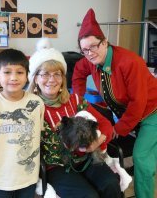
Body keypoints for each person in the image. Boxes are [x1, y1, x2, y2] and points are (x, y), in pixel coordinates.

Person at [72, 8, 157, 198]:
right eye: (84, 50)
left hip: (153, 111)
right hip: (124, 110)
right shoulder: (89, 59)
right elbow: (78, 73)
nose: (90, 53)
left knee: (142, 157)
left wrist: (120, 127)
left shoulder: (129, 62)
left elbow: (139, 102)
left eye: (94, 46)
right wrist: (79, 103)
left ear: (104, 42)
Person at [27, 38, 122, 198]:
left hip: (86, 158)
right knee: (87, 196)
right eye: (45, 74)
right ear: (35, 78)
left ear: (63, 79)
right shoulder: (30, 108)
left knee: (111, 184)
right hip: (55, 166)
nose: (52, 79)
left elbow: (105, 123)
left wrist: (96, 143)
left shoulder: (75, 100)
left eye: (57, 74)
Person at [0, 49, 45, 198]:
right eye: (7, 72)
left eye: (19, 72)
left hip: (28, 176)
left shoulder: (37, 103)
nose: (13, 77)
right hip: (1, 177)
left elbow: (37, 132)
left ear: (27, 76)